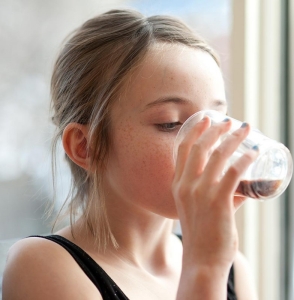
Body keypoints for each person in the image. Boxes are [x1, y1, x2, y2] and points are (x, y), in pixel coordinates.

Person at [2, 9, 259, 300]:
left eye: (217, 120)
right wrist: (205, 269)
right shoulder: (42, 265)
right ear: (86, 146)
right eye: (171, 123)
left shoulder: (234, 269)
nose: (208, 144)